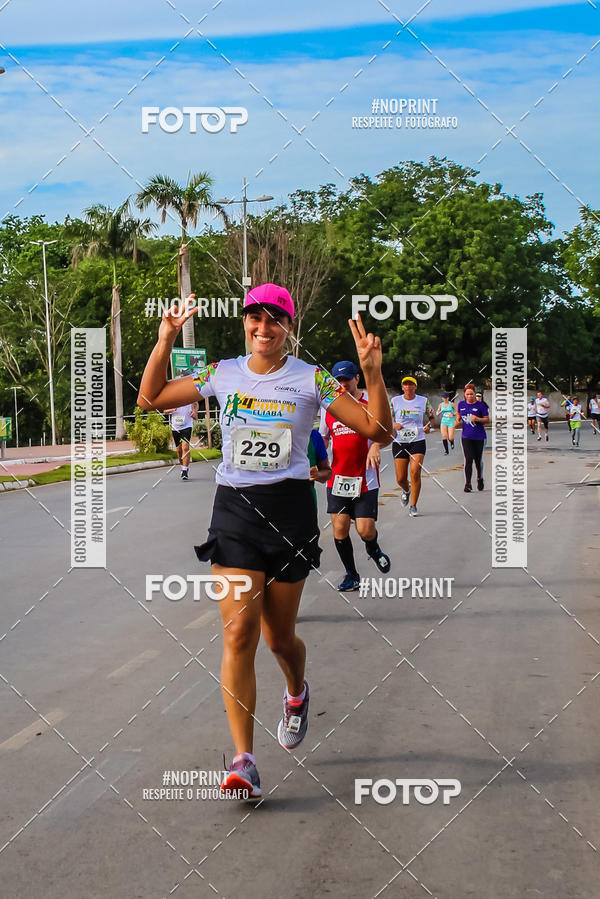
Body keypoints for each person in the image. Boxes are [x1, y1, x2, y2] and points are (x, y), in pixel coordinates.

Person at [137, 283, 393, 799]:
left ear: (288, 327)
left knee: (279, 639)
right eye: (255, 318)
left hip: (290, 511)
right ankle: (244, 761)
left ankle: (296, 692)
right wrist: (164, 340)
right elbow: (150, 399)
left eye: (274, 320)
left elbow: (379, 432)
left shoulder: (312, 378)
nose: (263, 328)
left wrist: (372, 373)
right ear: (245, 323)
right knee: (238, 634)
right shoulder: (222, 373)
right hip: (234, 510)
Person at [319, 360, 391, 592]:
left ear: (357, 378)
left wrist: (375, 446)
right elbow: (324, 437)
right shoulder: (329, 407)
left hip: (365, 478)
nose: (343, 384)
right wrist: (317, 454)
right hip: (338, 478)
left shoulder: (371, 404)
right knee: (340, 529)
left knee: (364, 530)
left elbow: (389, 432)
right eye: (339, 380)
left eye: (347, 379)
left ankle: (373, 549)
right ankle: (352, 575)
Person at [390, 376, 434, 517]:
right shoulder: (395, 401)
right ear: (402, 387)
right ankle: (406, 489)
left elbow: (432, 417)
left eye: (411, 384)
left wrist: (428, 426)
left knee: (415, 472)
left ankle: (413, 506)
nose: (408, 387)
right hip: (399, 441)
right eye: (405, 384)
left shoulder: (423, 401)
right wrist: (394, 424)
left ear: (415, 387)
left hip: (418, 440)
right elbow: (387, 417)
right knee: (400, 478)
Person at [456, 384, 489, 492]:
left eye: (471, 394)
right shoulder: (461, 404)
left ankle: (480, 477)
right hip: (466, 436)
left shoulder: (481, 405)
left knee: (478, 460)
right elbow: (458, 415)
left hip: (479, 437)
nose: (469, 396)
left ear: (475, 394)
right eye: (467, 394)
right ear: (464, 395)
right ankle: (468, 483)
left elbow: (487, 419)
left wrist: (477, 419)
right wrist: (457, 421)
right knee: (468, 459)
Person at [164, 401, 198, 479]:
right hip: (176, 427)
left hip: (187, 425)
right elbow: (165, 411)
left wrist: (194, 411)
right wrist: (172, 409)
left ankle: (185, 470)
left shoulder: (189, 396)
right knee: (179, 450)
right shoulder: (172, 398)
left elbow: (196, 403)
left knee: (185, 448)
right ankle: (183, 467)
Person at [307, 428, 331, 506]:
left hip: (305, 501)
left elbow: (327, 472)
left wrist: (317, 474)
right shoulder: (273, 432)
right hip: (274, 498)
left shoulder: (313, 435)